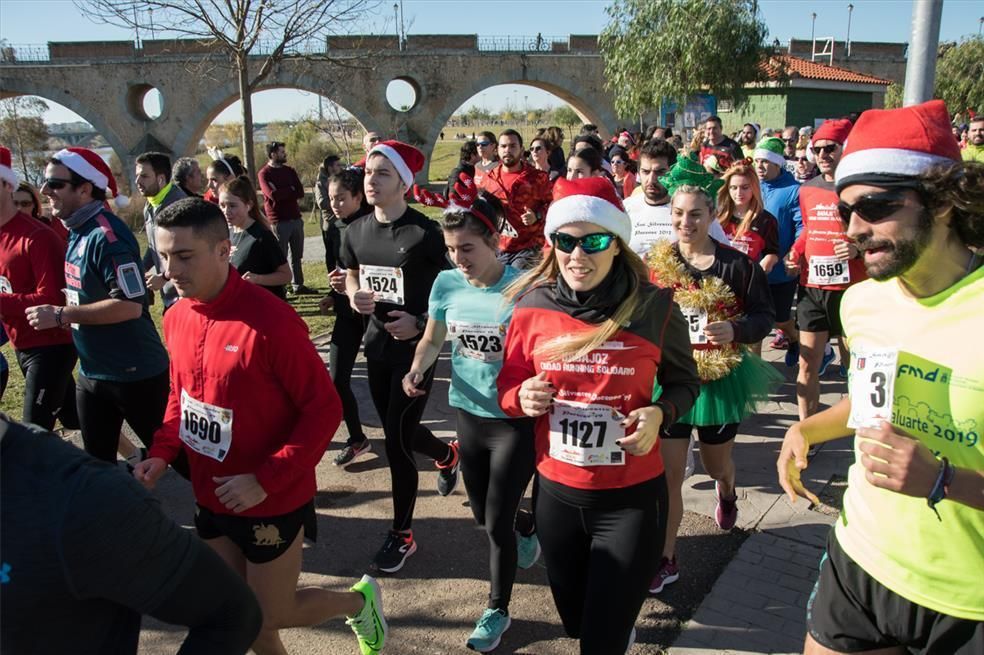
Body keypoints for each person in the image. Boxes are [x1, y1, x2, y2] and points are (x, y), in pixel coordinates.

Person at [134, 197, 388, 655]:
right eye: (163, 255)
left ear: (222, 249)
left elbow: (324, 409)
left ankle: (357, 602)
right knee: (241, 613)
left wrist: (264, 479)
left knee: (269, 613)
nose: (170, 269)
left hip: (269, 496)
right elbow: (181, 397)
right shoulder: (174, 317)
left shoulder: (272, 322)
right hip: (210, 493)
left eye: (184, 256)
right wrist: (161, 451)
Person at [777, 99, 984, 655]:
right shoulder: (862, 303)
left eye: (875, 207)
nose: (855, 230)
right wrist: (808, 430)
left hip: (968, 599)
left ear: (942, 202)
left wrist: (946, 482)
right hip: (861, 559)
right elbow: (876, 405)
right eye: (846, 211)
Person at [497, 176, 700, 654]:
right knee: (575, 620)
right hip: (557, 496)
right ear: (552, 244)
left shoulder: (654, 307)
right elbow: (507, 387)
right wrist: (521, 396)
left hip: (631, 502)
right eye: (566, 241)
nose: (578, 255)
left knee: (599, 641)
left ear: (617, 244)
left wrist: (661, 412)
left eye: (594, 241)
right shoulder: (531, 309)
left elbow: (685, 382)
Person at [0, 414, 264, 655]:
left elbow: (231, 614)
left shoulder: (82, 498)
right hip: (98, 384)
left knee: (277, 611)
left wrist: (267, 480)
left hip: (253, 502)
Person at [403, 186, 538, 652]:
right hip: (468, 413)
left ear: (494, 241)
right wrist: (418, 367)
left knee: (495, 520)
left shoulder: (522, 288)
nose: (458, 257)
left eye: (467, 247)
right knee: (483, 514)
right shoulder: (446, 285)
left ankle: (497, 609)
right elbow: (433, 338)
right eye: (451, 248)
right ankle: (527, 526)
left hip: (515, 419)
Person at [647, 185, 780, 594]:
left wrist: (736, 329)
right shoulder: (658, 264)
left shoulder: (738, 267)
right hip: (670, 380)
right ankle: (666, 557)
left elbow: (764, 317)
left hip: (719, 380)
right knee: (669, 475)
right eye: (678, 214)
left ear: (711, 216)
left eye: (695, 215)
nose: (685, 223)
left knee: (714, 464)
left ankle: (726, 489)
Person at [340, 140, 458, 573]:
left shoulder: (427, 234)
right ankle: (447, 454)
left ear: (404, 184)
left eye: (382, 174)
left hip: (417, 354)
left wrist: (422, 318)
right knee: (398, 432)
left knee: (396, 441)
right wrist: (355, 296)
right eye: (368, 173)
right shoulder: (354, 230)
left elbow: (457, 287)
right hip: (376, 348)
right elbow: (352, 271)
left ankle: (402, 534)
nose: (370, 180)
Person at [27, 148, 180, 474]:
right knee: (97, 467)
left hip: (134, 373)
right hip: (93, 373)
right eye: (44, 182)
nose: (44, 191)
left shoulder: (105, 235)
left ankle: (245, 511)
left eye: (55, 183)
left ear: (84, 189)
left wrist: (61, 315)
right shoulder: (77, 229)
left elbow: (128, 305)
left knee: (182, 460)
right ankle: (116, 522)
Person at [786, 119, 864, 424]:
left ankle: (858, 422)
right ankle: (807, 428)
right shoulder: (808, 189)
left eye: (830, 147)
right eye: (817, 149)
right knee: (807, 366)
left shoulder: (858, 188)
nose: (823, 154)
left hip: (851, 289)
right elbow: (809, 229)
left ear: (845, 149)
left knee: (854, 366)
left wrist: (857, 249)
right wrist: (795, 251)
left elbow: (875, 231)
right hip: (812, 287)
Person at [0, 146, 77, 430]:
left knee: (34, 430)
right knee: (76, 417)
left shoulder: (37, 237)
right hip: (21, 344)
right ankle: (146, 454)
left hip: (51, 346)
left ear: (7, 184)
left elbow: (51, 298)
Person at [326, 168, 372, 467]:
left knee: (390, 384)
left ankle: (404, 438)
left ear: (358, 196)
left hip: (375, 315)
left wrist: (358, 285)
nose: (335, 204)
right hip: (346, 314)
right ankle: (357, 439)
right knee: (336, 379)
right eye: (331, 199)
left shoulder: (373, 225)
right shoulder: (332, 228)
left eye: (341, 198)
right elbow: (337, 267)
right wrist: (333, 292)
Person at [626, 146, 730, 257]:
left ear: (673, 173)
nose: (651, 179)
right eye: (645, 172)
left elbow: (726, 254)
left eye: (660, 172)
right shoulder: (626, 208)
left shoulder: (694, 209)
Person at [754, 136, 804, 361]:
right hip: (753, 267)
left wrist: (793, 255)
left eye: (765, 162)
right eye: (757, 162)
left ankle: (795, 338)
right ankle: (755, 373)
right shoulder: (752, 186)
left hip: (781, 270)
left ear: (777, 163)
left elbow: (802, 227)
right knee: (753, 321)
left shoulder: (794, 190)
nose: (760, 167)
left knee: (780, 319)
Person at [478, 129, 552, 270]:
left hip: (529, 248)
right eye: (503, 146)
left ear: (522, 149)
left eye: (513, 146)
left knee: (515, 285)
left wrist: (536, 215)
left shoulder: (538, 178)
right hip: (499, 248)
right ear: (496, 150)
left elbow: (553, 205)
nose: (508, 150)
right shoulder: (488, 179)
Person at [219, 176, 291, 299]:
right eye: (222, 205)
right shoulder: (228, 233)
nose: (226, 211)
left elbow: (286, 275)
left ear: (248, 205)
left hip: (264, 307)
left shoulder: (262, 236)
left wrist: (258, 279)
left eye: (232, 206)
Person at [258, 141, 311, 295]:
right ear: (273, 154)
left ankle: (298, 286)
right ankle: (280, 287)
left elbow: (300, 192)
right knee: (280, 257)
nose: (284, 154)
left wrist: (283, 191)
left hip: (295, 219)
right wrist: (290, 189)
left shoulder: (290, 171)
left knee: (297, 255)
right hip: (278, 221)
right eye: (281, 152)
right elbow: (271, 195)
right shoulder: (264, 173)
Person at [136, 151, 186, 309]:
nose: (137, 181)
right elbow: (153, 247)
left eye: (144, 176)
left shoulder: (179, 206)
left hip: (185, 294)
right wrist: (140, 269)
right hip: (168, 295)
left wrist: (163, 277)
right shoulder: (151, 204)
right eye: (137, 175)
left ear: (161, 179)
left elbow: (186, 253)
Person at [716, 160, 779, 276]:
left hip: (749, 281)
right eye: (734, 188)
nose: (739, 193)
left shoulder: (766, 220)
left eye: (745, 187)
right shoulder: (717, 217)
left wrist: (767, 262)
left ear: (754, 188)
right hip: (719, 280)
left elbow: (772, 252)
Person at [315, 154, 344, 312]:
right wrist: (338, 201)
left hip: (342, 223)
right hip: (330, 224)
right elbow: (322, 202)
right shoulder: (321, 182)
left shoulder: (342, 180)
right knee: (332, 257)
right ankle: (333, 288)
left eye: (338, 165)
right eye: (334, 165)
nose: (336, 168)